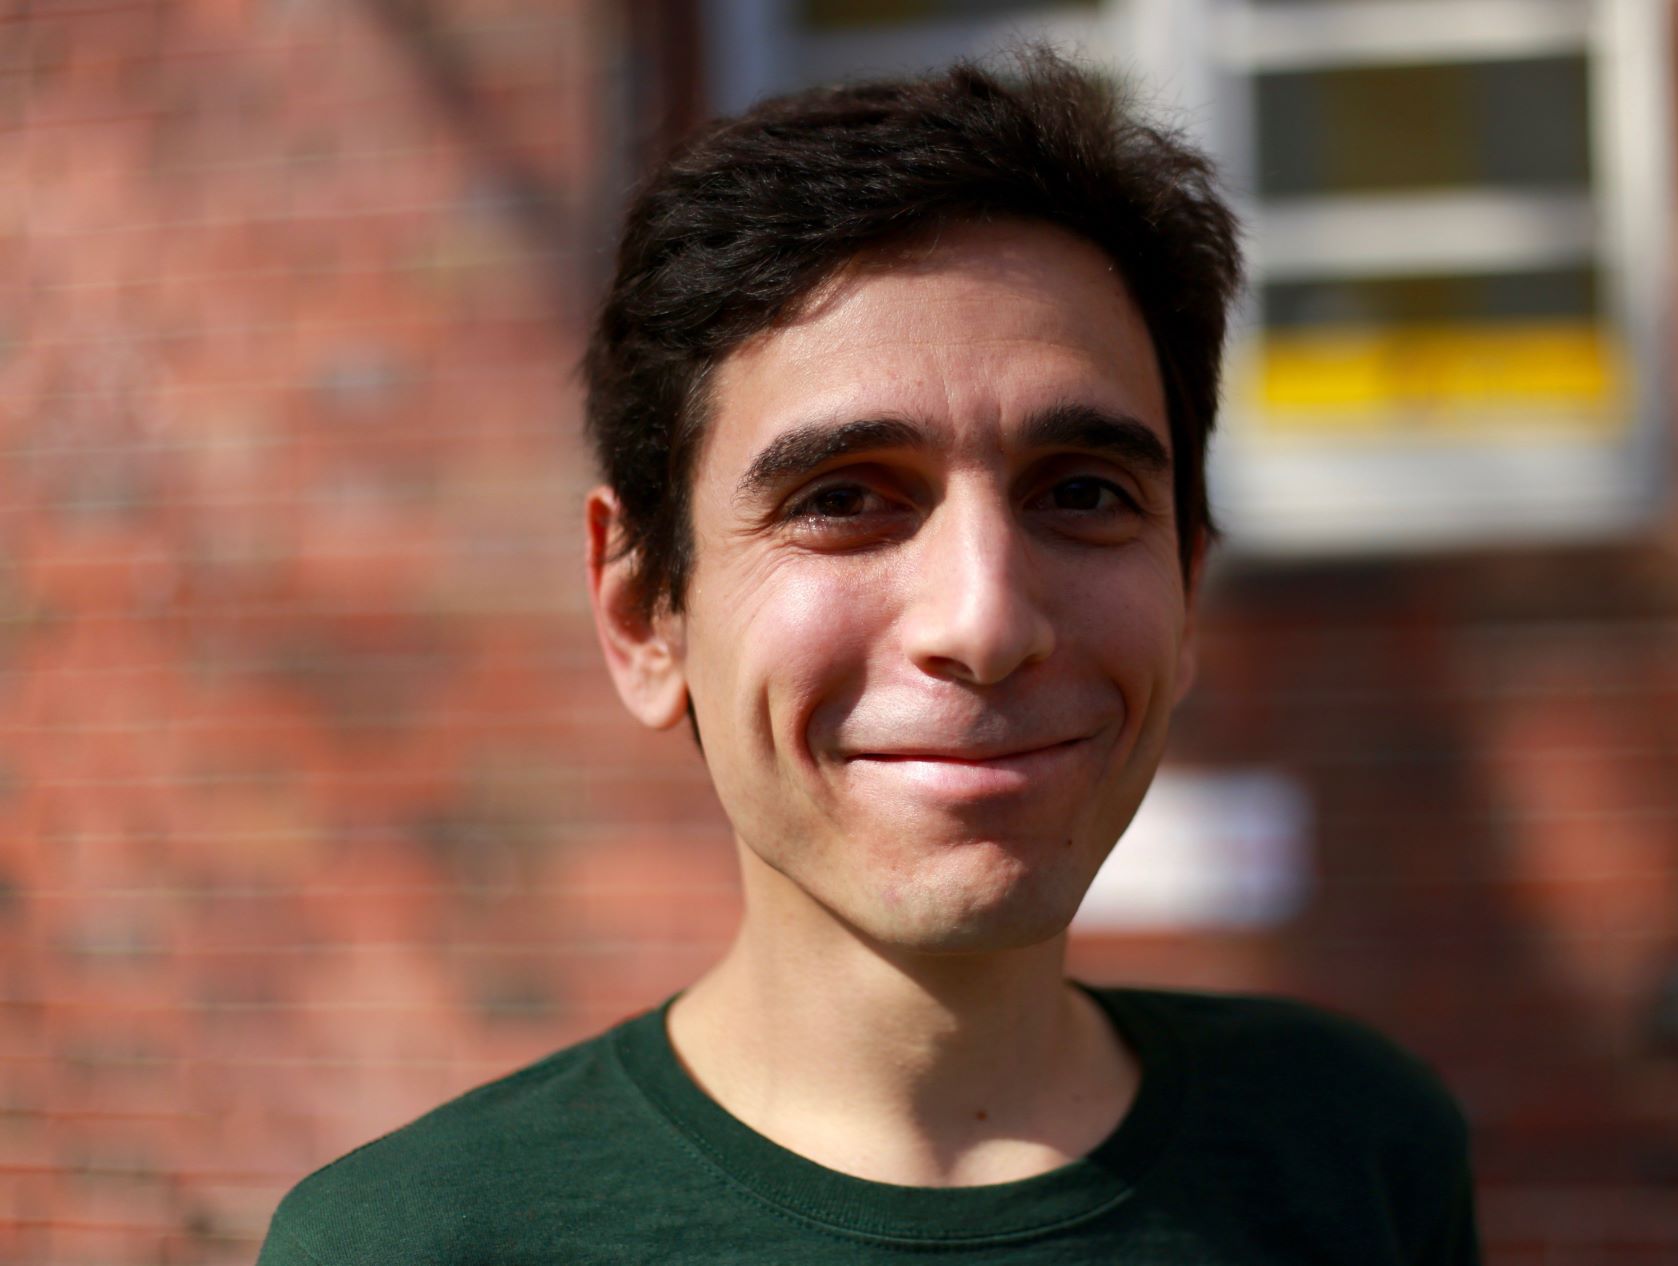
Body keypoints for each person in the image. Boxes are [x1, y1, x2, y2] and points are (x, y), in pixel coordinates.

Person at [257, 47, 1479, 1264]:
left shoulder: (1352, 1151)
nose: (984, 624)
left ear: (1187, 588)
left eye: (1083, 493)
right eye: (841, 499)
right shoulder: (417, 1245)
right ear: (642, 613)